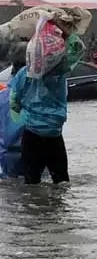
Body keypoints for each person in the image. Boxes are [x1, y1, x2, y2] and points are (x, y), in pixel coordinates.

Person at [10, 20, 86, 184]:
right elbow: (78, 49)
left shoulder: (23, 74)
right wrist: (64, 29)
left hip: (31, 134)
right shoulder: (59, 73)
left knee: (32, 182)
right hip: (54, 134)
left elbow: (14, 103)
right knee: (61, 182)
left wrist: (25, 116)